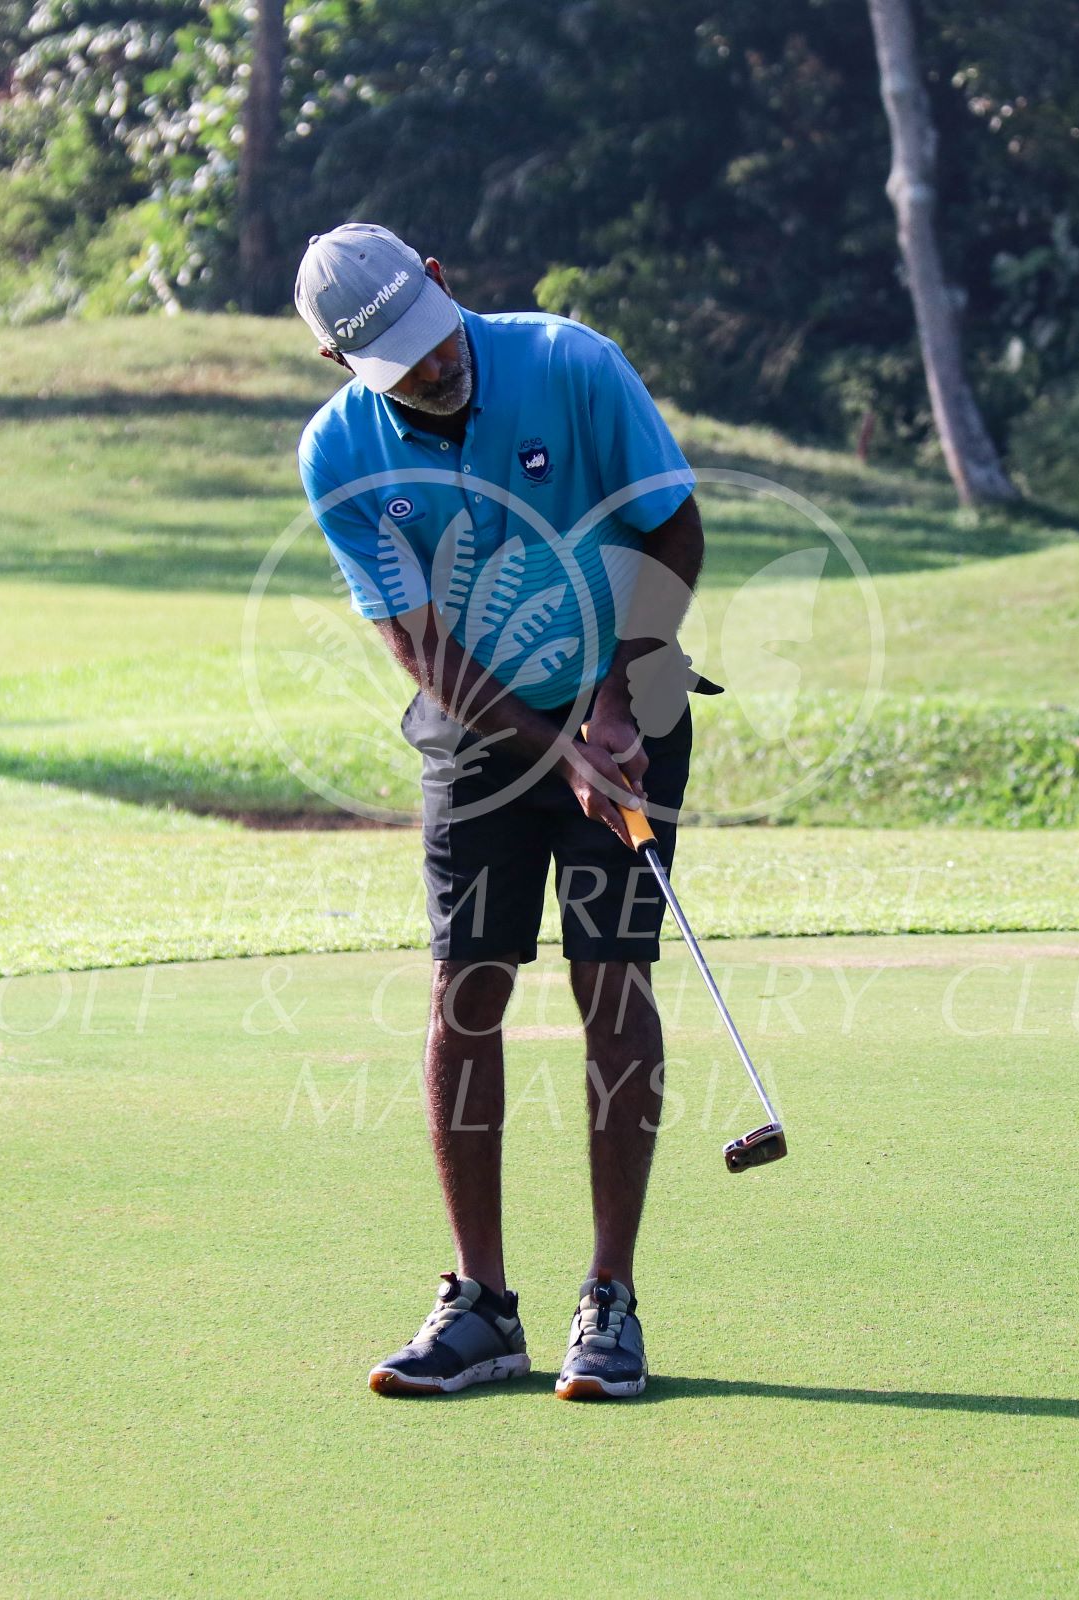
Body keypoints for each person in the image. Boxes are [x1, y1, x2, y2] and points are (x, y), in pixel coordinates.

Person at [293, 222, 709, 1401]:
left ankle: (609, 1303)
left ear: (440, 281)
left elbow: (673, 525)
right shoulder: (341, 453)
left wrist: (618, 701)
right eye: (398, 365)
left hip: (631, 690)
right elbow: (418, 642)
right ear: (341, 364)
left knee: (610, 981)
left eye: (432, 339)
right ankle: (481, 1306)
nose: (432, 369)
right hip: (479, 726)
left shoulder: (570, 362)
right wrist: (550, 748)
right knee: (466, 988)